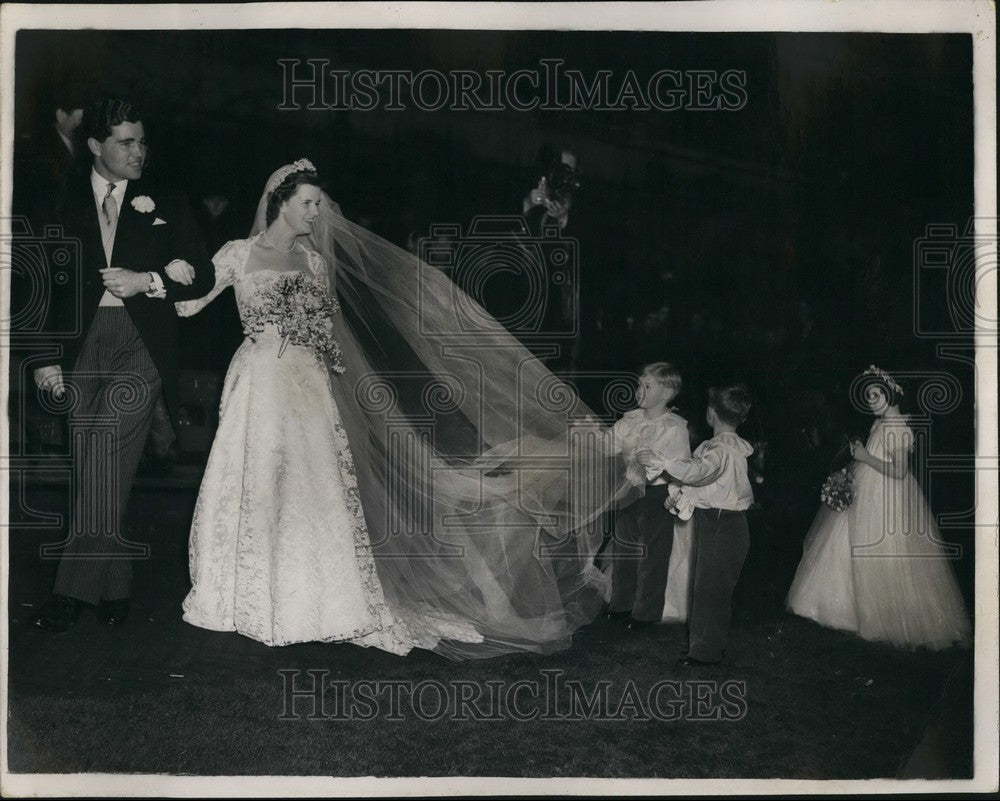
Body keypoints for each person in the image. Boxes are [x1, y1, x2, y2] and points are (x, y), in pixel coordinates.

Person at [177, 160, 640, 659]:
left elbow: (329, 328)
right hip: (260, 383)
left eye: (318, 204)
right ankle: (244, 590)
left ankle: (311, 595)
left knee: (314, 487)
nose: (317, 213)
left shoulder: (314, 263)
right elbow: (188, 304)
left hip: (307, 385)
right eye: (307, 204)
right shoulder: (238, 253)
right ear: (280, 203)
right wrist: (174, 272)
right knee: (255, 479)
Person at [29, 96, 215, 632]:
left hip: (141, 343)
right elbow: (35, 282)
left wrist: (146, 281)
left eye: (142, 142)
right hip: (79, 345)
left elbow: (202, 273)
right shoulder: (59, 198)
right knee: (94, 465)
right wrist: (43, 357)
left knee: (106, 453)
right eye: (126, 142)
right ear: (95, 145)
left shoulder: (166, 200)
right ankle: (116, 586)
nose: (139, 152)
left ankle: (70, 593)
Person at [786, 367, 971, 650]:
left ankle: (881, 617)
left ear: (891, 394)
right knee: (844, 545)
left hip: (887, 498)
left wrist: (864, 457)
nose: (871, 401)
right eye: (868, 396)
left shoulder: (897, 428)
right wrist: (855, 465)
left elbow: (899, 471)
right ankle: (839, 610)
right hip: (867, 492)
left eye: (876, 395)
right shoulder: (881, 423)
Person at [646, 384, 754, 666]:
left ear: (711, 413)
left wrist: (665, 463)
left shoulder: (721, 450)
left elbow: (699, 473)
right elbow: (705, 485)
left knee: (709, 589)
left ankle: (705, 653)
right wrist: (678, 496)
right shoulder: (726, 448)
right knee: (709, 587)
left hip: (721, 523)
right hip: (722, 522)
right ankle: (706, 647)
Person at [605, 362, 691, 630]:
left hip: (657, 493)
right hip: (629, 490)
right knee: (624, 548)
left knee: (653, 553)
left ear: (667, 393)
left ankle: (645, 612)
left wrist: (675, 493)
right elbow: (608, 445)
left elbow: (682, 466)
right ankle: (621, 604)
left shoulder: (675, 428)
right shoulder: (629, 420)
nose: (639, 390)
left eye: (647, 386)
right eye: (638, 385)